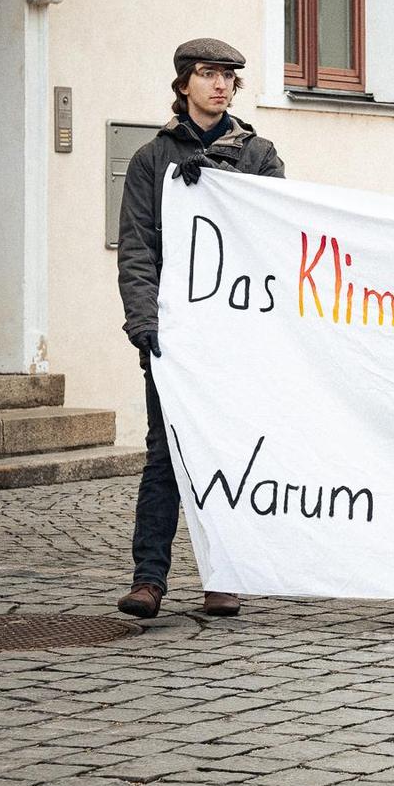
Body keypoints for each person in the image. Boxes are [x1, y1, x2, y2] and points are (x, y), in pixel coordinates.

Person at [115, 40, 286, 620]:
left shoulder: (259, 154)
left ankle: (224, 576)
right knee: (164, 455)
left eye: (229, 77)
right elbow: (138, 247)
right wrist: (144, 322)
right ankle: (148, 579)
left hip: (234, 333)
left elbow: (273, 233)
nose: (220, 85)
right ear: (184, 82)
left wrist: (219, 179)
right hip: (174, 334)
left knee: (228, 454)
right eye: (207, 74)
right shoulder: (151, 159)